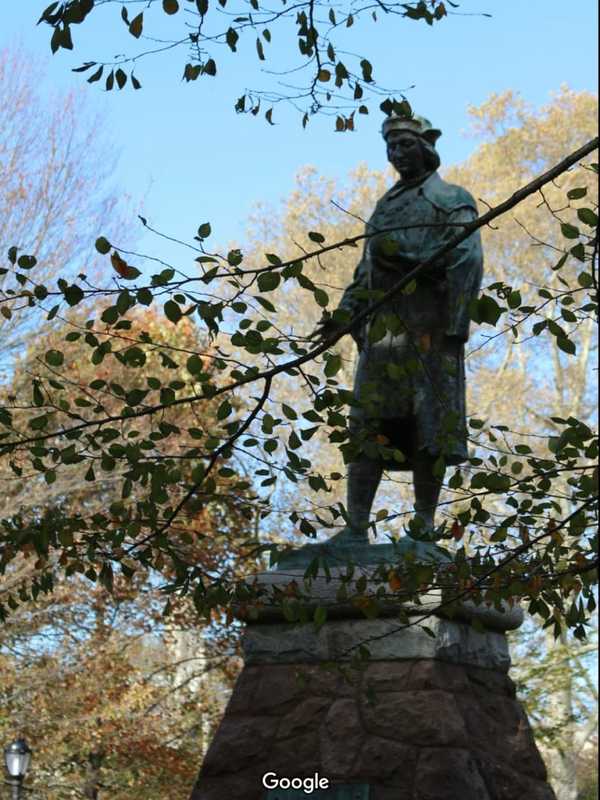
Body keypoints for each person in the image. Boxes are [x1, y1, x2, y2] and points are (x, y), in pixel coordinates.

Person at [313, 114, 483, 544]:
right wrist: (344, 315)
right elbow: (367, 268)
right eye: (391, 147)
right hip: (384, 334)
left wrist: (454, 322)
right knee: (367, 425)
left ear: (425, 148)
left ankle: (424, 524)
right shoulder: (386, 206)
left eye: (404, 145)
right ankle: (355, 528)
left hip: (428, 329)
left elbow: (465, 257)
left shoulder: (450, 198)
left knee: (430, 426)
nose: (396, 154)